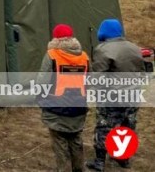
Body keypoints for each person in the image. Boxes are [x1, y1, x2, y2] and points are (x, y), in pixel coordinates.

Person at [86, 18, 146, 171]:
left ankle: (99, 161)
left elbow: (98, 77)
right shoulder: (135, 48)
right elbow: (142, 73)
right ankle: (123, 158)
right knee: (127, 126)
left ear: (103, 32)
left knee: (104, 126)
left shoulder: (103, 49)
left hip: (112, 97)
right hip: (133, 95)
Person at [36, 23, 89, 172]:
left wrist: (40, 99)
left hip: (56, 107)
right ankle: (79, 169)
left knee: (60, 144)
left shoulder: (52, 55)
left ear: (55, 39)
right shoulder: (84, 56)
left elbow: (42, 81)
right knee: (76, 140)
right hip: (78, 107)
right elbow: (88, 82)